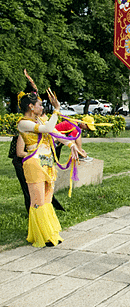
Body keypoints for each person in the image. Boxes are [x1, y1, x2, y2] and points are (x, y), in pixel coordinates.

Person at [17, 88, 85, 247]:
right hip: (34, 163)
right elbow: (47, 129)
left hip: (48, 162)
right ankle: (42, 235)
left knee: (47, 199)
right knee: (38, 200)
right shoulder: (23, 123)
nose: (42, 108)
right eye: (40, 105)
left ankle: (49, 233)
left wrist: (71, 144)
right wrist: (56, 110)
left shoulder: (40, 121)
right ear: (31, 107)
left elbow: (55, 133)